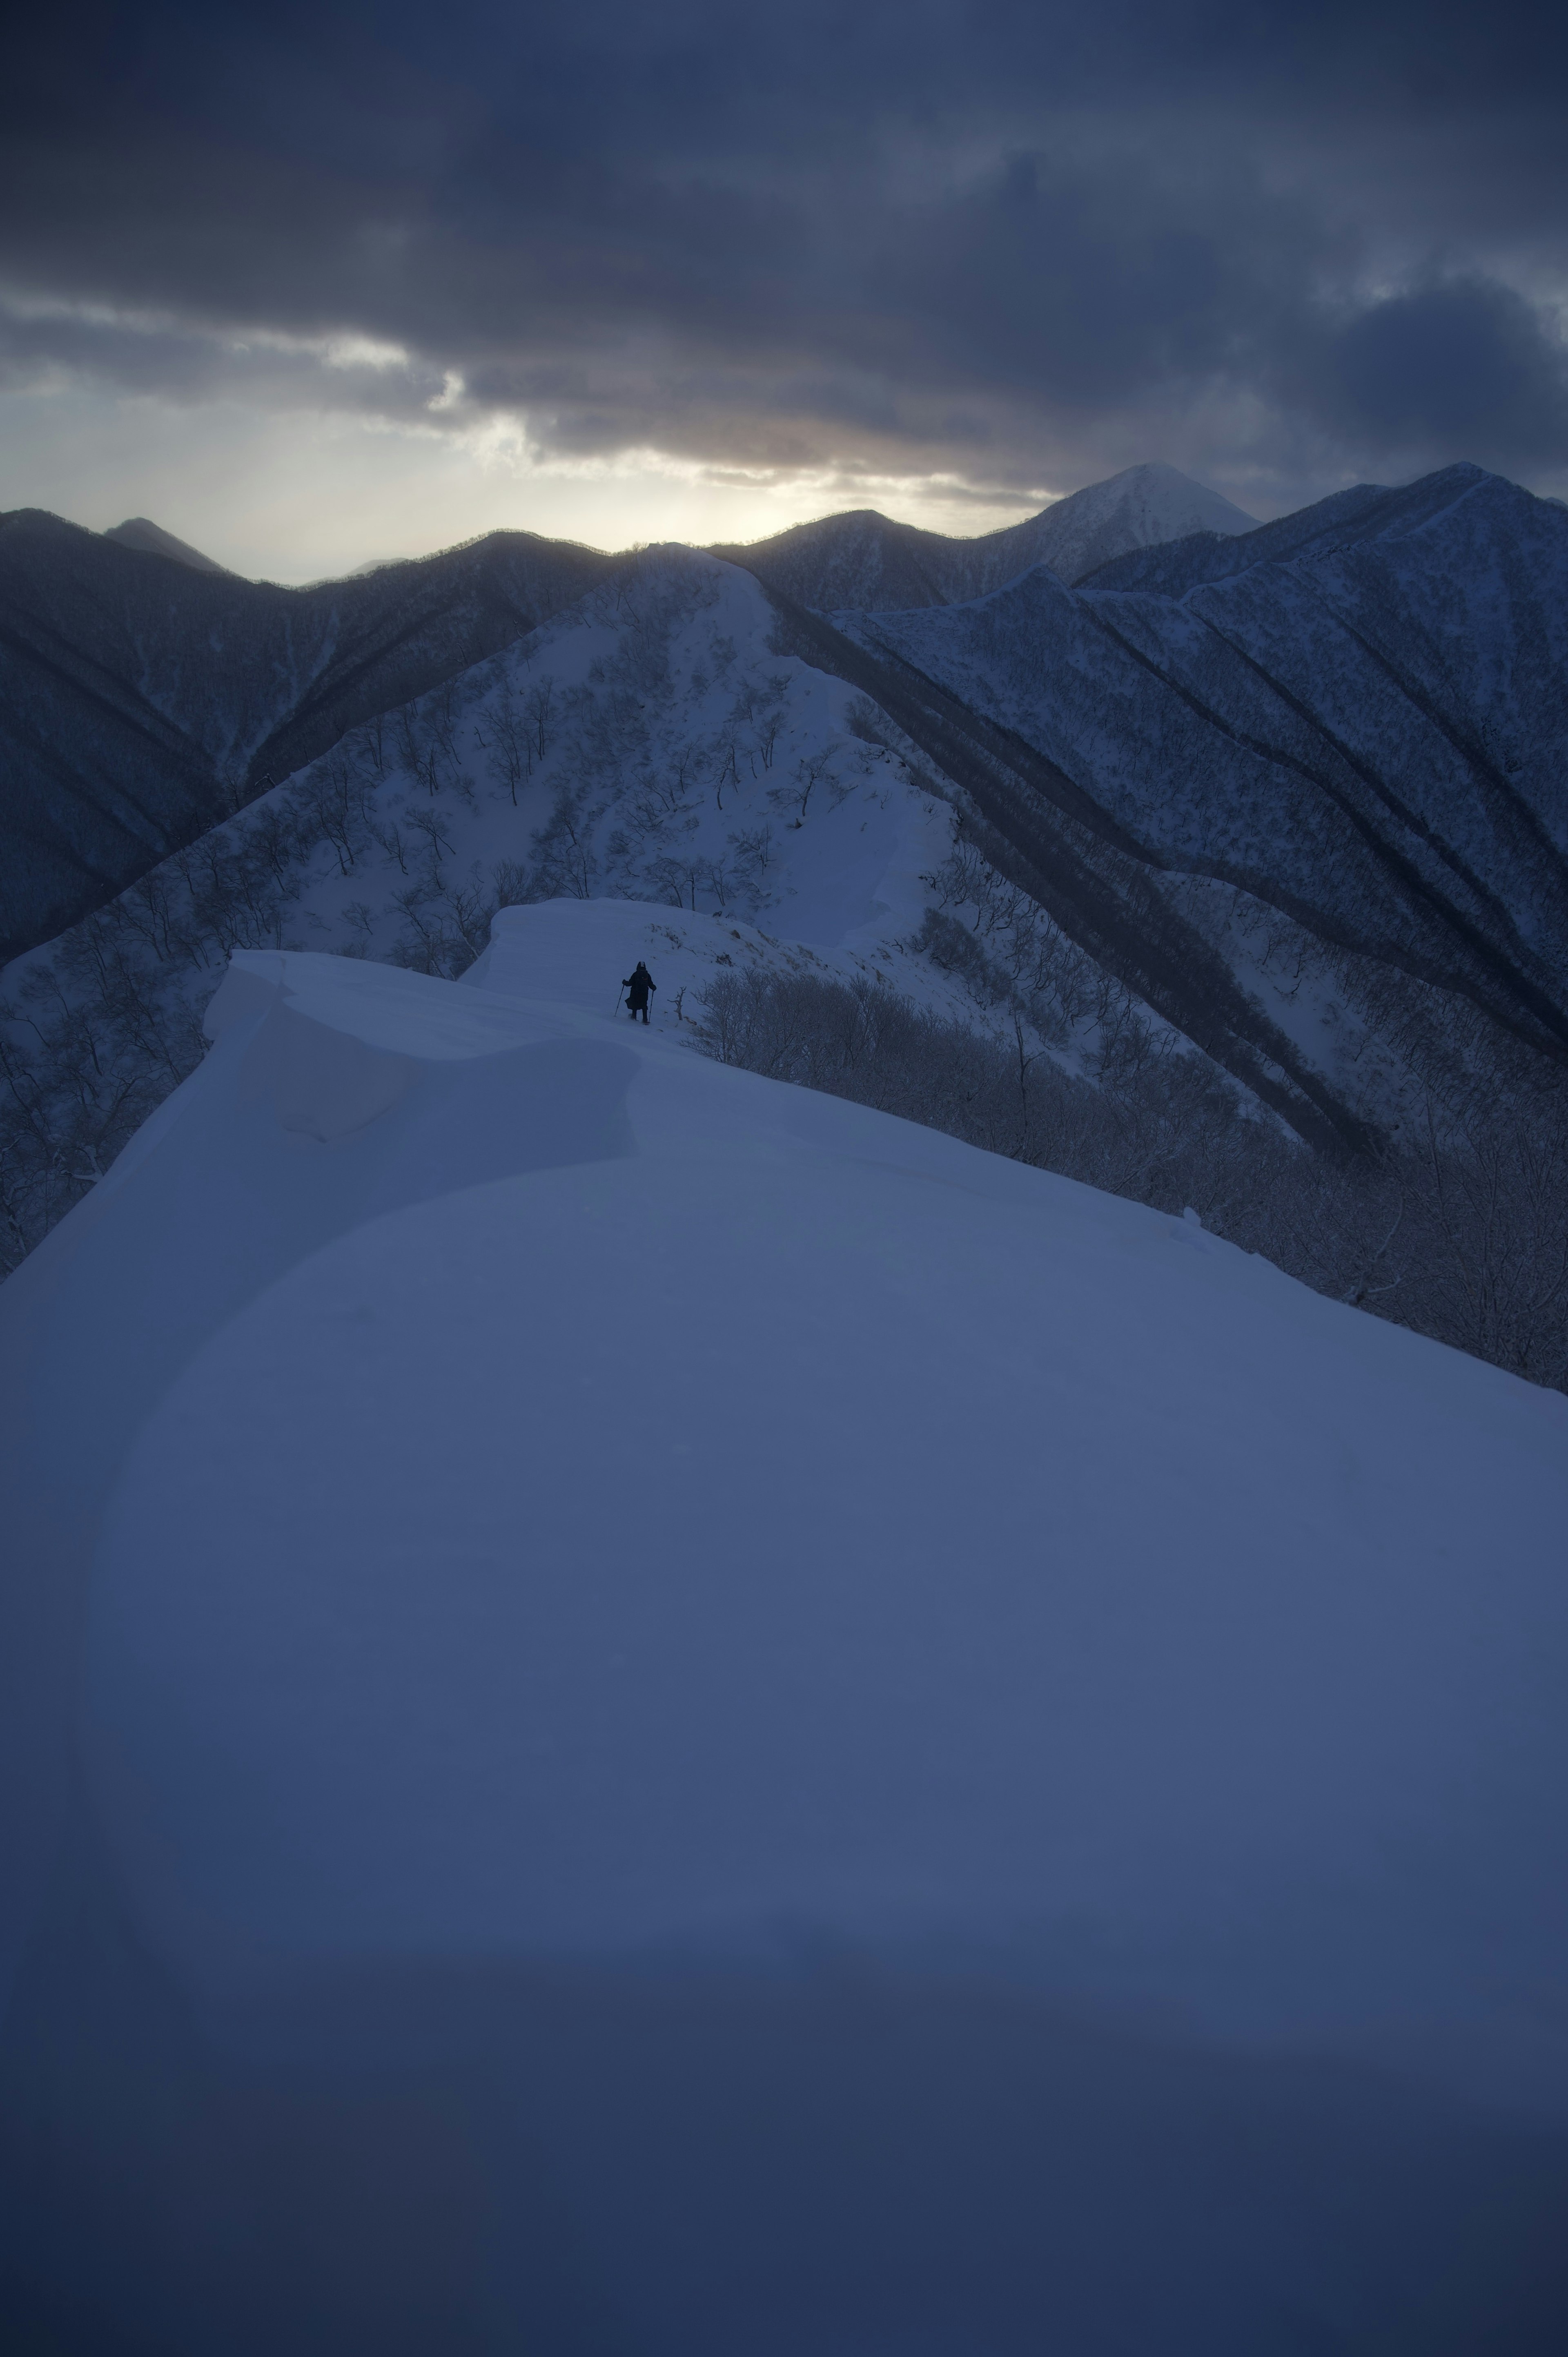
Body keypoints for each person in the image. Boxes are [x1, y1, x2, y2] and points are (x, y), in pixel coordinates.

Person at [623, 960, 656, 1024]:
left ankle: (634, 1017)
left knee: (634, 1004)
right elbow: (651, 985)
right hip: (645, 994)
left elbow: (630, 983)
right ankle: (645, 1020)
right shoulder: (647, 975)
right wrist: (654, 988)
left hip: (635, 993)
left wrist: (624, 983)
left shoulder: (635, 974)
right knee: (644, 1006)